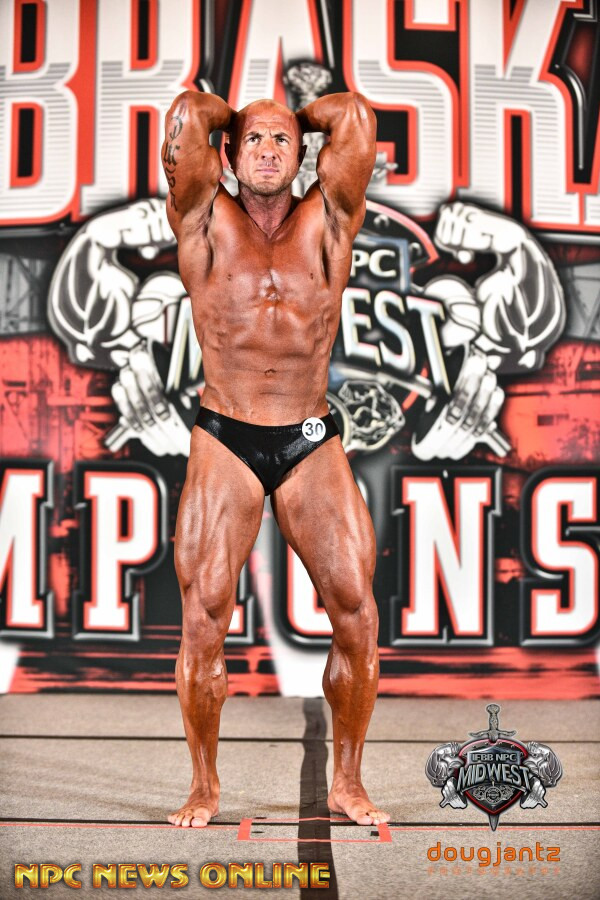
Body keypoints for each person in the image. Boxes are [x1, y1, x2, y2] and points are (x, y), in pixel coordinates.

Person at [161, 86, 388, 828]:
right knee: (204, 619)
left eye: (281, 141)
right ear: (229, 154)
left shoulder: (331, 218)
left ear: (304, 155)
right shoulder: (202, 217)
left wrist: (293, 117)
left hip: (307, 436)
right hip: (225, 433)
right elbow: (188, 115)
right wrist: (238, 121)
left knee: (356, 611)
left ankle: (348, 781)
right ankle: (203, 786)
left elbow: (354, 118)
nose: (266, 150)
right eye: (253, 140)